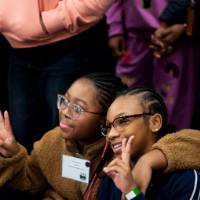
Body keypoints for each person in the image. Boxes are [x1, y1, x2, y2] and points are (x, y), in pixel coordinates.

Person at [0, 72, 124, 199]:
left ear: (105, 119)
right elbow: (30, 179)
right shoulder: (53, 140)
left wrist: (132, 190)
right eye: (64, 100)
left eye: (77, 108)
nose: (64, 111)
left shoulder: (120, 157)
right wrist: (12, 155)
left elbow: (134, 195)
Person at [106, 0, 199, 130]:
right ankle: (127, 142)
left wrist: (187, 25)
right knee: (127, 97)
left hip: (174, 35)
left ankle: (169, 145)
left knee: (172, 102)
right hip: (134, 34)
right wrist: (115, 27)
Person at [99, 87, 200, 199]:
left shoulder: (184, 179)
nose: (111, 134)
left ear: (155, 123)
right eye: (108, 127)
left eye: (123, 121)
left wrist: (131, 192)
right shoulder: (113, 176)